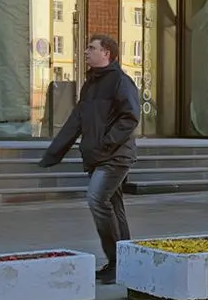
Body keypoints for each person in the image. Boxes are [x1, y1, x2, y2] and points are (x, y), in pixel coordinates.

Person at [41, 35, 140, 284]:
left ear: (106, 53)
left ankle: (116, 262)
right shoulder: (90, 85)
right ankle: (125, 262)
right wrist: (54, 152)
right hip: (98, 155)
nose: (86, 51)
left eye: (91, 48)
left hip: (116, 155)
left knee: (97, 199)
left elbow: (130, 116)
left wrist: (106, 142)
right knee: (114, 205)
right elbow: (75, 121)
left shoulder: (120, 81)